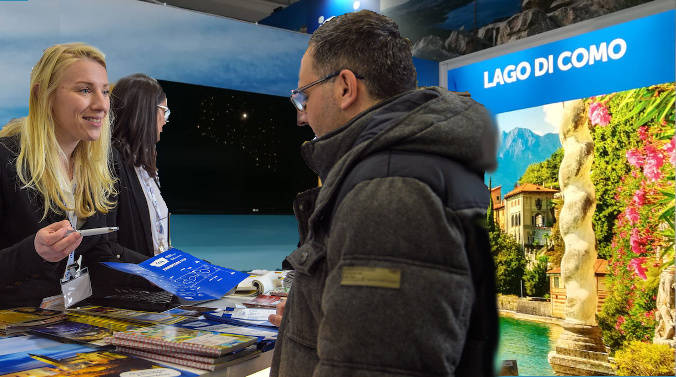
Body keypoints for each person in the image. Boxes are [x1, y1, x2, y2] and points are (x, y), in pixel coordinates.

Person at [269, 10, 499, 377]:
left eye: (303, 96)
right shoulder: (403, 169)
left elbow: (372, 365)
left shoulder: (386, 191)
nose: (302, 115)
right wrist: (307, 317)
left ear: (345, 87)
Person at [0, 43, 150, 308]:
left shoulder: (103, 164)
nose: (102, 104)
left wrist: (178, 273)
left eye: (105, 92)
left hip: (73, 323)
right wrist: (33, 251)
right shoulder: (5, 159)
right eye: (85, 90)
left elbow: (101, 251)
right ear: (43, 95)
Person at [110, 73, 170, 257]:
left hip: (152, 280)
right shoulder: (111, 163)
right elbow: (104, 248)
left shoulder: (143, 167)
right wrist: (159, 271)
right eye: (164, 111)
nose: (165, 120)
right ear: (145, 110)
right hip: (135, 283)